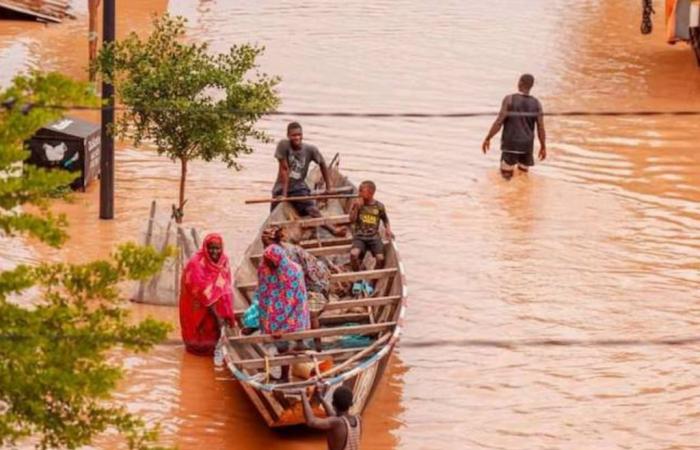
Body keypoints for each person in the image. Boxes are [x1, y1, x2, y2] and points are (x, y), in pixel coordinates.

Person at [262, 225, 331, 350]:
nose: (265, 248)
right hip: (295, 286)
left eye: (267, 244)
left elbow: (296, 290)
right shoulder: (271, 255)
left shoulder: (288, 257)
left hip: (313, 285)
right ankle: (287, 345)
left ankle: (316, 346)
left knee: (308, 311)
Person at [271, 122, 345, 236]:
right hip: (281, 187)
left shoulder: (310, 149)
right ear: (288, 136)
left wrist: (329, 187)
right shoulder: (283, 145)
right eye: (293, 135)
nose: (297, 137)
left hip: (298, 187)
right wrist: (284, 195)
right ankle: (273, 234)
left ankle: (332, 230)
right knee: (273, 217)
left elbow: (323, 164)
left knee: (312, 209)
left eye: (299, 135)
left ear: (302, 135)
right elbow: (284, 169)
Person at [255, 243, 310, 380]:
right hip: (274, 308)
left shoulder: (293, 272)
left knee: (283, 341)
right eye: (266, 262)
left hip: (292, 311)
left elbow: (294, 302)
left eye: (269, 263)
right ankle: (287, 368)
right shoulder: (264, 268)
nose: (266, 265)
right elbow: (263, 292)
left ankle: (286, 374)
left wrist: (282, 328)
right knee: (280, 343)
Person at [179, 233, 235, 356]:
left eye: (217, 248)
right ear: (205, 247)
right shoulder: (195, 264)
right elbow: (202, 293)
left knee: (212, 339)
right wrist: (219, 317)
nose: (214, 252)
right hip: (197, 308)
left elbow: (225, 288)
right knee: (197, 341)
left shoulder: (223, 261)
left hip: (215, 308)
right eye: (211, 248)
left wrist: (226, 314)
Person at [482, 73, 547, 179]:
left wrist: (488, 138)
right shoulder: (537, 104)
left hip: (510, 145)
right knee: (523, 177)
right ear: (531, 86)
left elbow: (499, 122)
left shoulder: (509, 99)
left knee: (506, 179)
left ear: (520, 83)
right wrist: (543, 146)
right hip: (527, 147)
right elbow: (541, 128)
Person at [298, 384, 362, 450]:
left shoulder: (336, 422)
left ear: (333, 403)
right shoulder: (358, 419)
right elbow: (335, 416)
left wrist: (303, 395)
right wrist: (320, 398)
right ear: (351, 403)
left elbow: (311, 421)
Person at [349, 181, 393, 273]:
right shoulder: (357, 204)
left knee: (380, 259)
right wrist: (355, 208)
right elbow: (351, 220)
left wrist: (388, 230)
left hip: (374, 237)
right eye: (359, 190)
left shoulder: (379, 206)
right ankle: (358, 276)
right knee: (353, 255)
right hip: (359, 237)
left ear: (370, 193)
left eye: (361, 191)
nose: (359, 193)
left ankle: (372, 282)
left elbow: (385, 219)